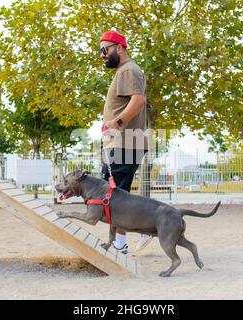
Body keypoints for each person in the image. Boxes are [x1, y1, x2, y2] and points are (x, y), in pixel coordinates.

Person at [99, 30, 152, 254]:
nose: (102, 54)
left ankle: (121, 244)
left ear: (119, 48)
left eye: (105, 49)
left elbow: (139, 100)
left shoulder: (129, 70)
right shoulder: (124, 71)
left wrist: (117, 124)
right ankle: (132, 235)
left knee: (115, 197)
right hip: (121, 144)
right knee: (112, 195)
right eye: (100, 50)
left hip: (124, 144)